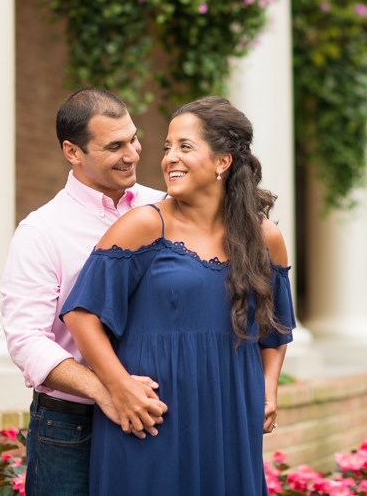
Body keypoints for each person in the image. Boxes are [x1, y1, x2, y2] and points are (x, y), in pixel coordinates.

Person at [61, 96, 294, 496]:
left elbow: (274, 329)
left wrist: (268, 389)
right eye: (168, 147)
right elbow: (82, 315)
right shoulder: (144, 226)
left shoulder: (265, 238)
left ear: (223, 161)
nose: (170, 158)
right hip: (151, 417)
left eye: (185, 146)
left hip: (230, 412)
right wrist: (117, 386)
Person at [0, 88, 169, 496]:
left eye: (133, 138)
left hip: (160, 415)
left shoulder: (166, 206)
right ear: (72, 152)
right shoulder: (41, 231)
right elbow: (26, 340)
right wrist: (107, 388)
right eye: (114, 146)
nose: (132, 154)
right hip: (72, 427)